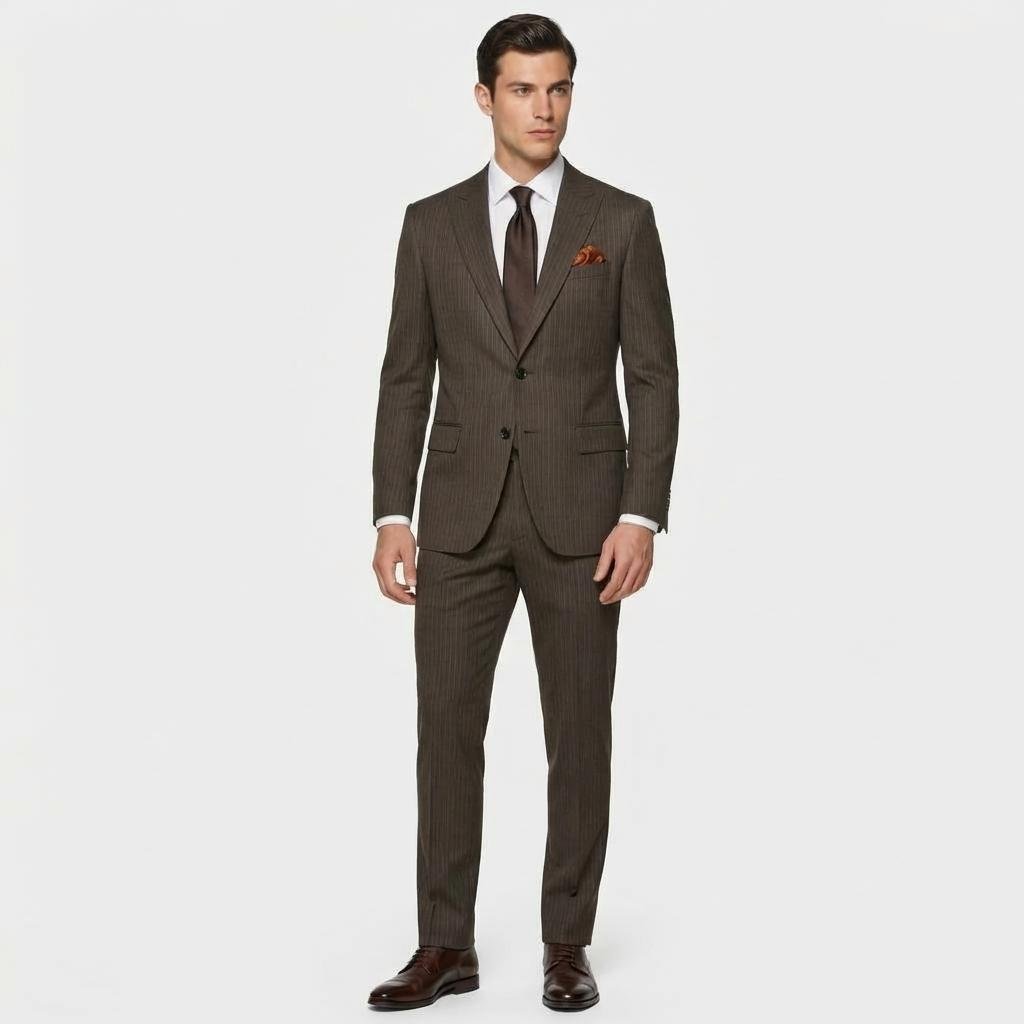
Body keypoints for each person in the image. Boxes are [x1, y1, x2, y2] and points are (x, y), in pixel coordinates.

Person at [367, 13, 679, 1013]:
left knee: (578, 735)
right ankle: (444, 944)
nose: (543, 109)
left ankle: (566, 944)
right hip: (457, 517)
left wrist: (641, 514)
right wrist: (390, 512)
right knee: (445, 732)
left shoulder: (619, 221)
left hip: (583, 520)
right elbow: (405, 375)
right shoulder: (430, 224)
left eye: (558, 88)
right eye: (522, 89)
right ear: (484, 97)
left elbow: (654, 377)